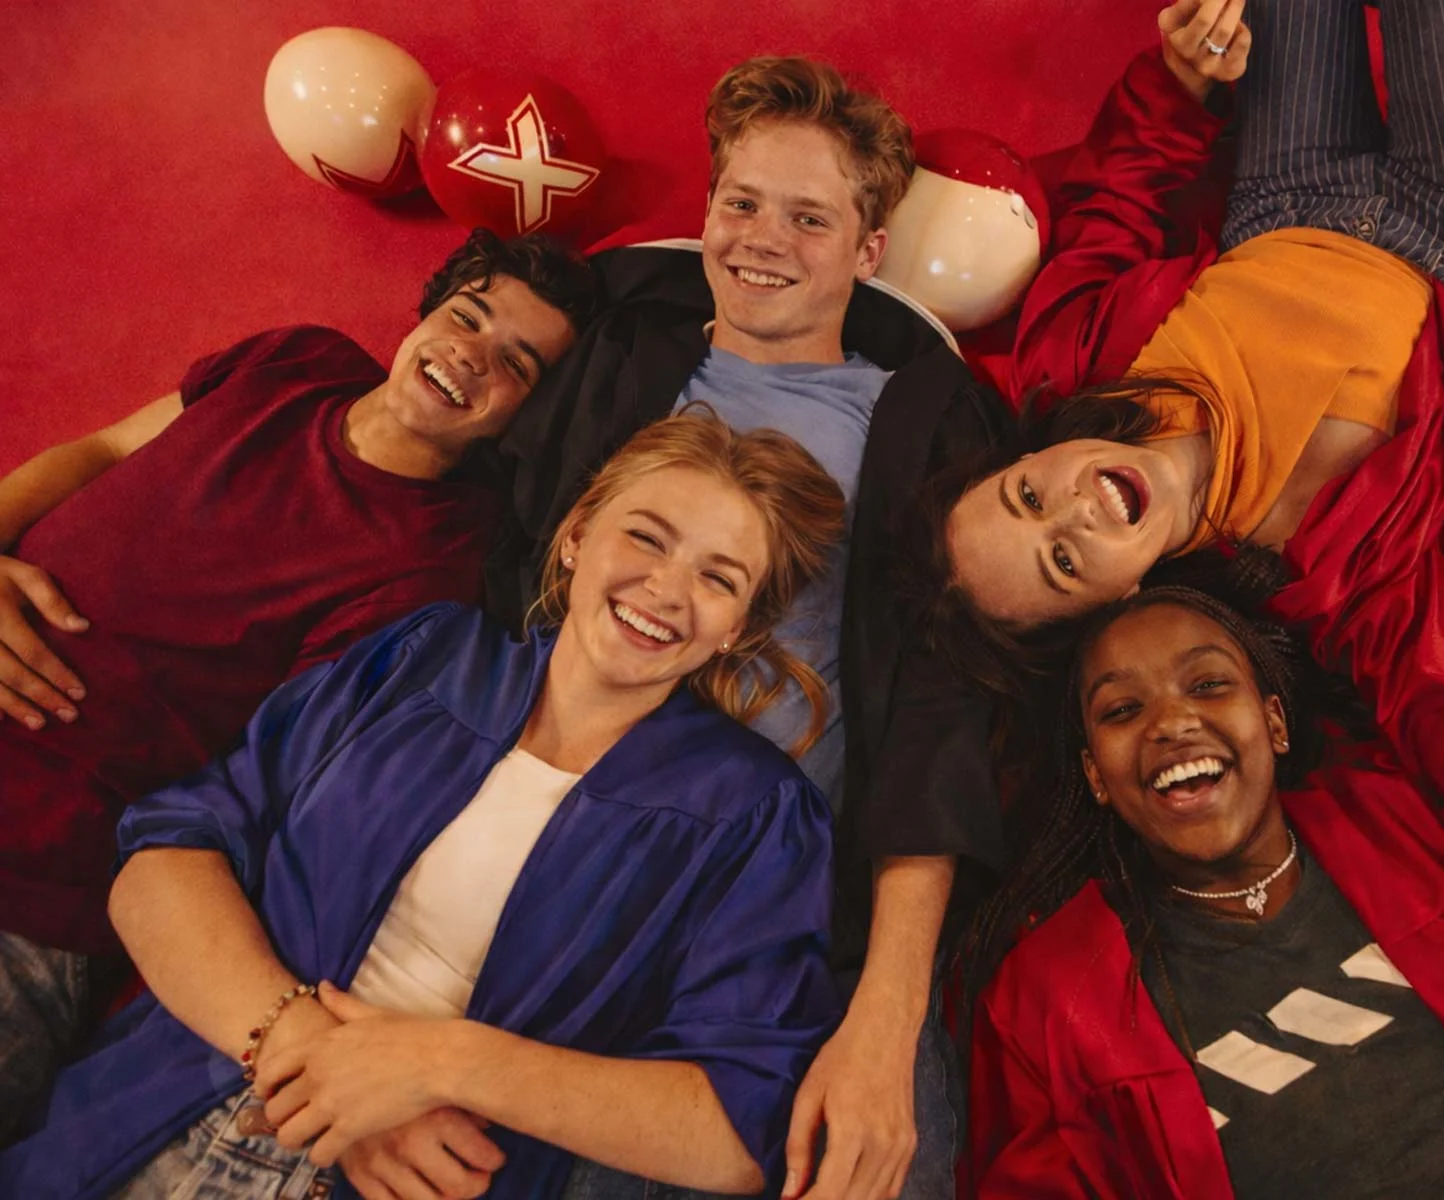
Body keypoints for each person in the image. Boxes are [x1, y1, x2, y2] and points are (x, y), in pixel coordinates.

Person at [932, 3, 1444, 1194]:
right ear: (1109, 597)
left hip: (1282, 199)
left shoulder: (1076, 371)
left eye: (1024, 495)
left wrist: (1178, 83)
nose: (1073, 509)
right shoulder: (1333, 576)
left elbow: (1109, 216)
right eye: (1060, 558)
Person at [0, 411, 849, 1200]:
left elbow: (738, 1131)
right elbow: (163, 855)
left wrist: (441, 1064)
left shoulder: (756, 814)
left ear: (739, 625)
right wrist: (304, 1057)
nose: (666, 588)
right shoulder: (423, 655)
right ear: (577, 538)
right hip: (163, 1113)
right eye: (646, 537)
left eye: (718, 578)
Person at [492, 56, 1009, 1200]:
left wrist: (888, 1003)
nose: (762, 238)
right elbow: (491, 575)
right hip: (558, 889)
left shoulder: (919, 416)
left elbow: (941, 707)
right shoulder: (622, 361)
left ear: (869, 252)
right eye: (742, 202)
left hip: (796, 923)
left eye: (810, 217)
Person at [0, 229, 596, 1142]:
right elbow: (103, 448)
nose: (468, 355)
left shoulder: (438, 559)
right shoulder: (298, 360)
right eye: (465, 317)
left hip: (37, 875)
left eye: (512, 363)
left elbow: (271, 783)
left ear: (524, 418)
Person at [964, 583, 1444, 1197]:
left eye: (1207, 684)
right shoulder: (1046, 1001)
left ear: (1276, 723)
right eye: (1122, 710)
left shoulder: (1405, 819)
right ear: (1095, 777)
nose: (1170, 723)